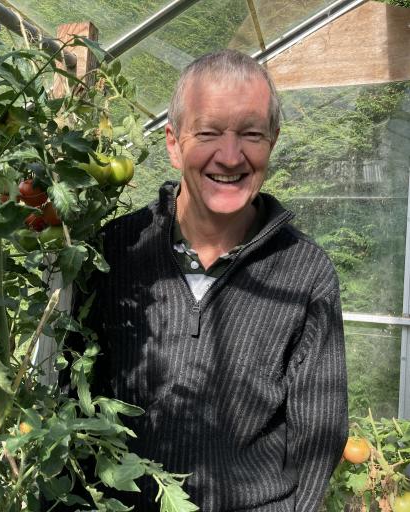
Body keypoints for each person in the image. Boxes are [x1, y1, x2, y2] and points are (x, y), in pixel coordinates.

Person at [76, 49, 348, 511]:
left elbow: (318, 431)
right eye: (208, 133)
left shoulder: (305, 272)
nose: (229, 155)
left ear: (273, 141)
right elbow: (69, 398)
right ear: (173, 143)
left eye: (250, 134)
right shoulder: (113, 252)